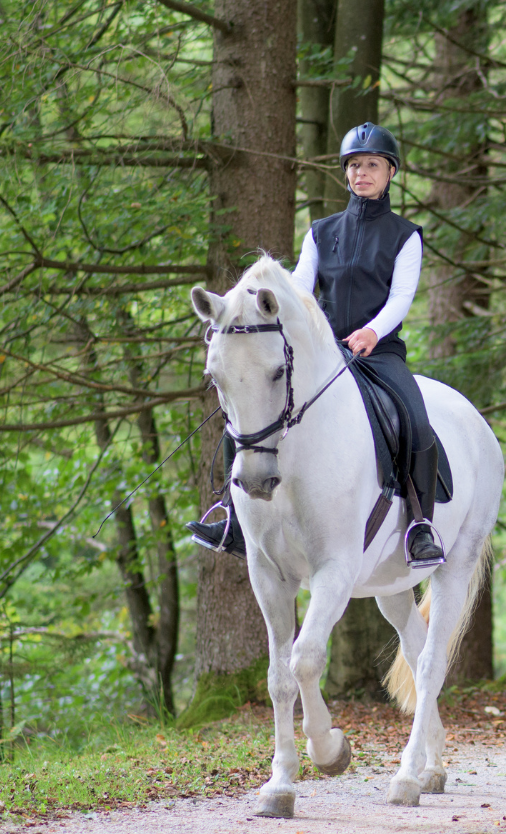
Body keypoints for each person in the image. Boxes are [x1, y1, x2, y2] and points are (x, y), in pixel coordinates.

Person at [187, 122, 446, 568]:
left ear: (390, 173)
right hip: (325, 354)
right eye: (354, 165)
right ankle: (232, 517)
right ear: (345, 173)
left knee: (415, 421)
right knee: (247, 410)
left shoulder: (406, 236)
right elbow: (300, 291)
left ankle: (420, 525)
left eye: (371, 165)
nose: (361, 173)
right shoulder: (321, 232)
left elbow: (402, 297)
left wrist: (372, 332)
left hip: (378, 352)